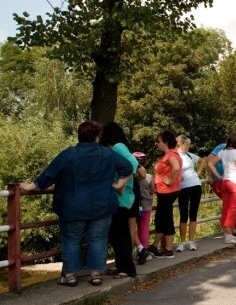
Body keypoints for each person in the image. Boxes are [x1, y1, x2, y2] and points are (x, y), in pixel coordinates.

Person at [20, 121, 132, 287]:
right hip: (102, 205)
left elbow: (48, 175)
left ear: (79, 136)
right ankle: (95, 275)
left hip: (73, 206)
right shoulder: (107, 154)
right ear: (97, 136)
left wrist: (30, 186)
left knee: (72, 240)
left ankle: (70, 276)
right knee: (98, 239)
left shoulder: (68, 154)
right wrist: (119, 184)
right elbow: (128, 167)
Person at [99, 122, 139, 278]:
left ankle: (127, 269)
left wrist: (121, 183)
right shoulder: (119, 147)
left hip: (121, 198)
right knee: (118, 234)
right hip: (123, 197)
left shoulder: (118, 147)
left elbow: (133, 163)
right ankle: (122, 265)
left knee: (119, 235)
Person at [208, 131, 236, 245]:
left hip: (225, 181)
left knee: (226, 208)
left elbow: (210, 163)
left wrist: (219, 176)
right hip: (235, 182)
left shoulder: (223, 151)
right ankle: (229, 236)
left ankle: (226, 234)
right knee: (233, 209)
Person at [150, 130, 182, 258]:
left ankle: (167, 249)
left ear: (166, 142)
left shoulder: (171, 155)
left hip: (167, 191)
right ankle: (156, 246)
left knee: (165, 219)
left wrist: (169, 180)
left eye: (159, 141)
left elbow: (176, 168)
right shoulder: (170, 154)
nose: (156, 143)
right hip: (165, 191)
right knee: (162, 218)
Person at [176, 135, 205, 252]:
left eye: (189, 144)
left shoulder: (189, 155)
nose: (188, 146)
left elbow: (202, 161)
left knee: (193, 213)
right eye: (186, 144)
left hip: (195, 185)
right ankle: (182, 241)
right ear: (180, 144)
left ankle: (191, 241)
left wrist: (198, 172)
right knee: (183, 215)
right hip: (183, 187)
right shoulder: (175, 156)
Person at [133, 152, 154, 265]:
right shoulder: (150, 177)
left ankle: (138, 250)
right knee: (144, 227)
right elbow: (153, 190)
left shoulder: (133, 178)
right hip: (147, 205)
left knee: (133, 227)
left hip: (135, 204)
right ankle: (144, 248)